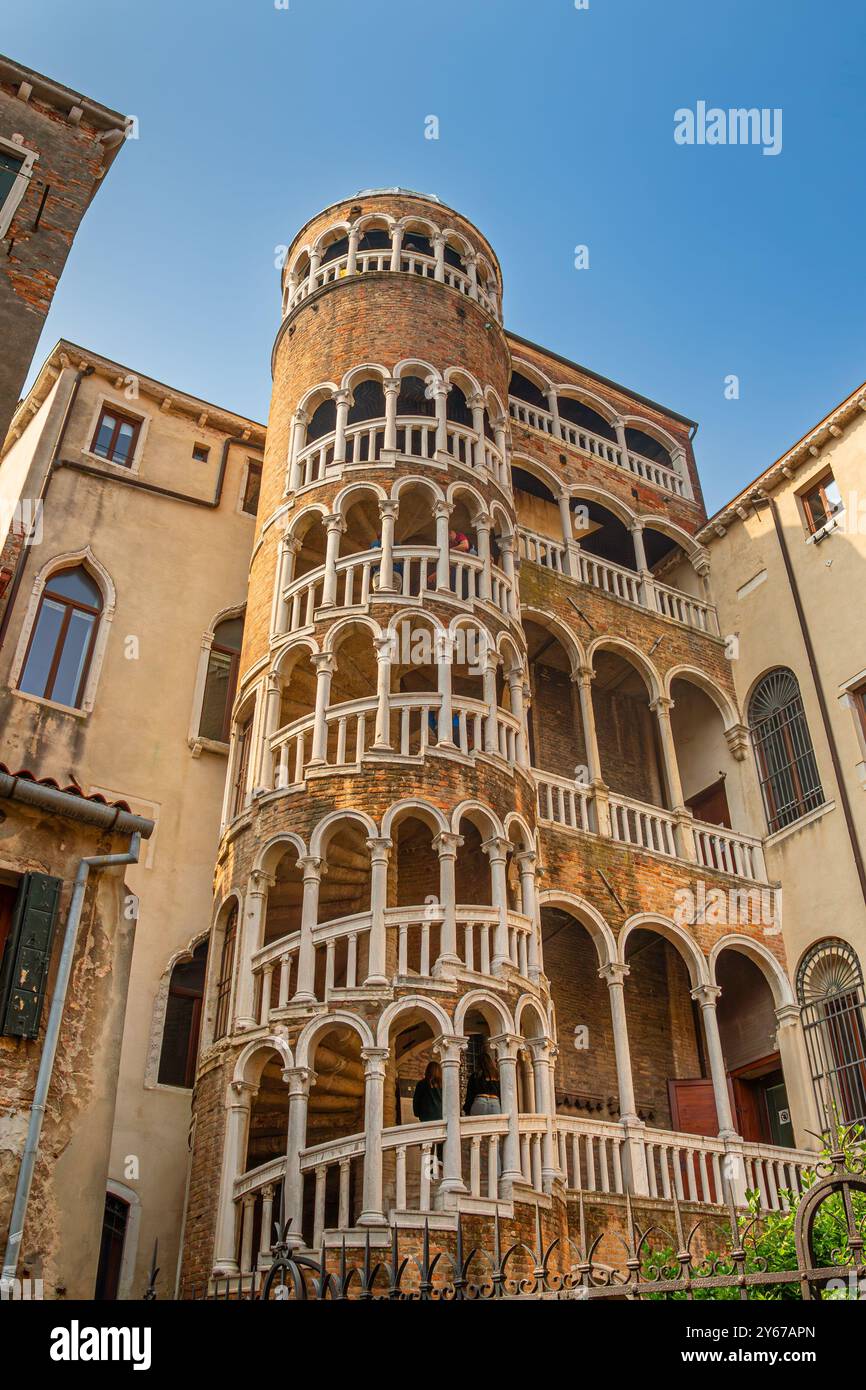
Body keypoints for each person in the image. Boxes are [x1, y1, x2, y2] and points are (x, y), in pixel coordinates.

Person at [464, 1050, 501, 1116]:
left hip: (480, 1102)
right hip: (495, 1102)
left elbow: (470, 1095)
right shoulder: (497, 1076)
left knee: (478, 1126)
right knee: (496, 1126)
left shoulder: (475, 1075)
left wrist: (467, 1110)